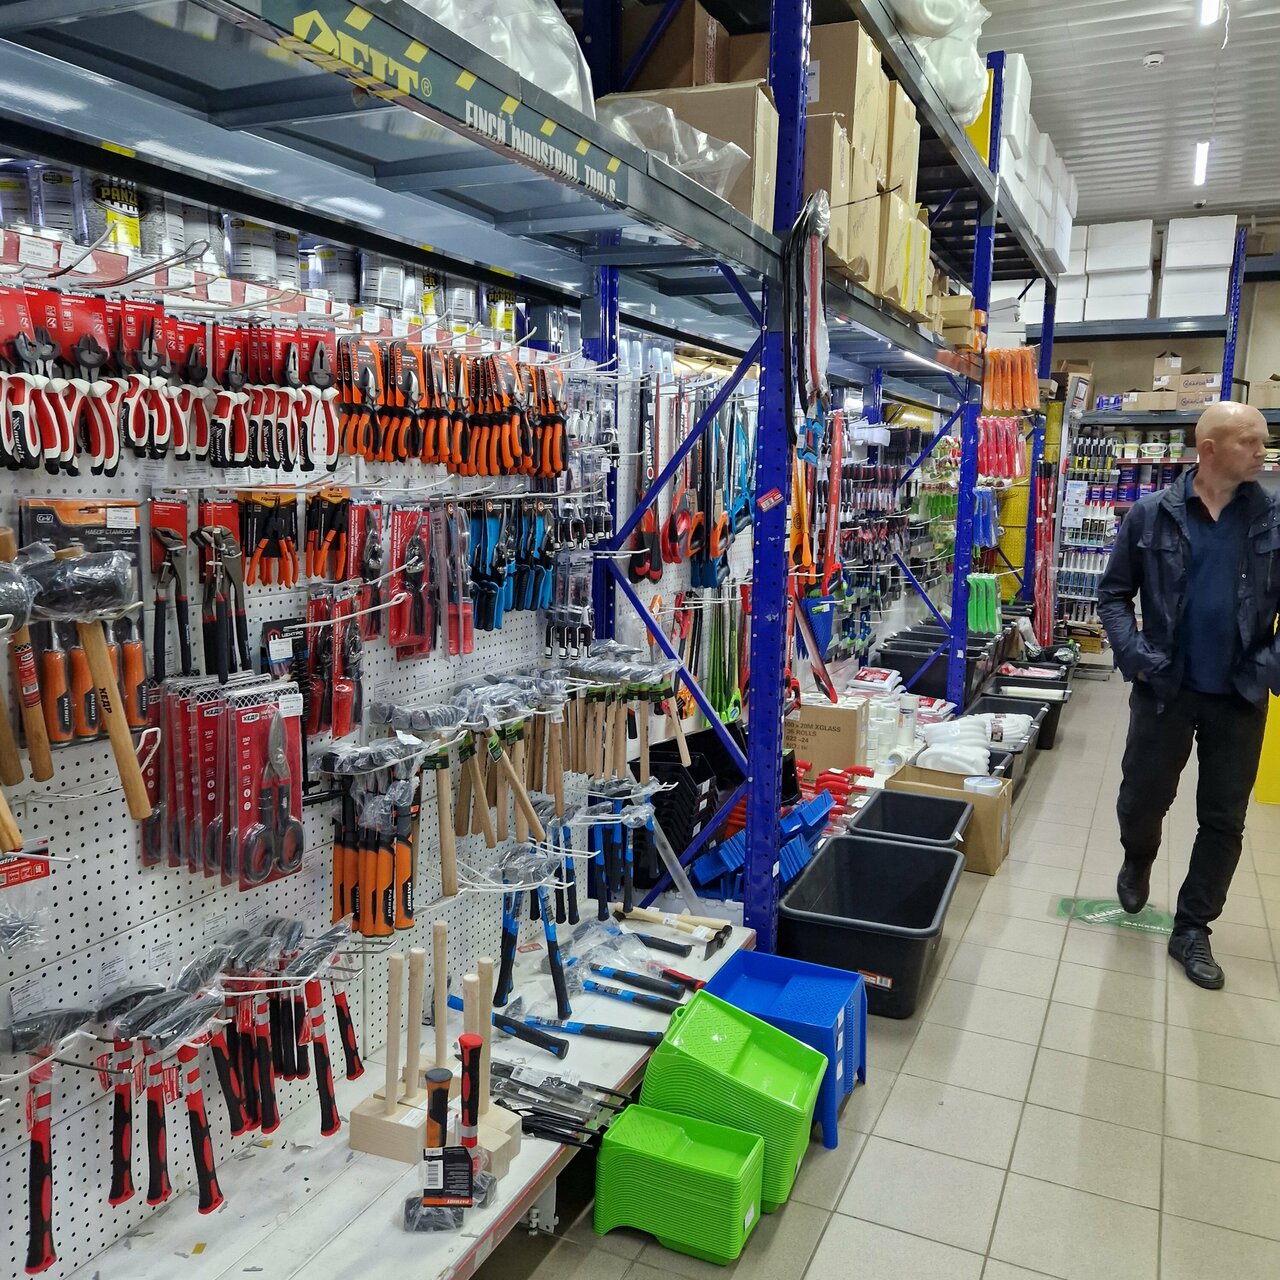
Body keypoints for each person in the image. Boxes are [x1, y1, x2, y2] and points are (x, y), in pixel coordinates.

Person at [1098, 401, 1279, 989]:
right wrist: (1137, 659)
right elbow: (1113, 595)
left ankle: (1193, 928)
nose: (1262, 451)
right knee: (1141, 799)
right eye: (1250, 441)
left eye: (1263, 440)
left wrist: (1266, 669)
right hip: (1164, 688)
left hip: (1240, 694)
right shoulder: (1150, 515)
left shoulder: (1274, 518)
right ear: (1209, 449)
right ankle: (1138, 857)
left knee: (1223, 819)